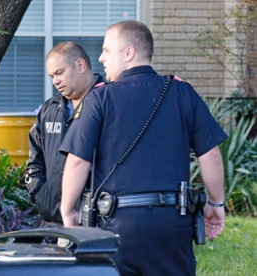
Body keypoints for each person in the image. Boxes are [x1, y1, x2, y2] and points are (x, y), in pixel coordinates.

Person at [59, 20, 227, 275]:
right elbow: (210, 154)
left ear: (129, 53)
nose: (101, 58)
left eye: (107, 50)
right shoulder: (183, 93)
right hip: (173, 223)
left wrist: (69, 211)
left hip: (116, 226)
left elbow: (78, 161)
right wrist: (216, 204)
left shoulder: (100, 98)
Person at [24, 41, 105, 226]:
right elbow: (35, 160)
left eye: (59, 73)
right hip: (57, 221)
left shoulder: (110, 103)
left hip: (100, 220)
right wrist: (40, 194)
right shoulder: (49, 109)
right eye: (52, 76)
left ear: (80, 65)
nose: (55, 81)